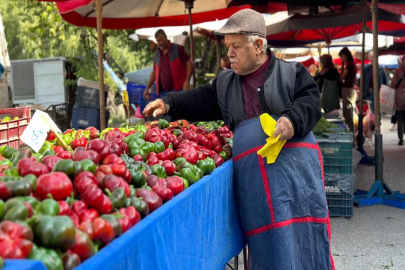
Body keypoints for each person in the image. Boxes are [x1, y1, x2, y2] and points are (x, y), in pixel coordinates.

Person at [143, 9, 334, 270]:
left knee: (302, 234)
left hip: (294, 178)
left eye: (235, 46)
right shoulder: (226, 83)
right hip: (254, 180)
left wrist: (291, 119)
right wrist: (168, 102)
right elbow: (201, 98)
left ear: (257, 45)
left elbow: (311, 101)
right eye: (227, 46)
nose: (229, 53)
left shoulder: (292, 73)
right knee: (265, 241)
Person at [143, 29, 193, 121]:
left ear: (166, 37)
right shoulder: (157, 53)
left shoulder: (177, 49)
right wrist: (147, 88)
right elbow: (154, 72)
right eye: (157, 41)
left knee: (181, 116)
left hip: (178, 89)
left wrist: (186, 81)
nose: (159, 43)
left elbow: (189, 63)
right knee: (167, 118)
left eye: (160, 40)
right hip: (163, 92)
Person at [339, 47, 358, 135]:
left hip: (347, 90)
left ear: (345, 55)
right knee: (349, 113)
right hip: (351, 90)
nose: (341, 58)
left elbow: (341, 77)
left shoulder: (349, 65)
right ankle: (352, 134)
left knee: (348, 115)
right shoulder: (352, 64)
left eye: (342, 56)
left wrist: (342, 66)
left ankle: (351, 136)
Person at [390, 55, 405, 145]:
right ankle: (401, 136)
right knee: (401, 118)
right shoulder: (398, 71)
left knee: (400, 118)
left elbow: (393, 84)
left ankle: (401, 138)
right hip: (400, 97)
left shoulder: (398, 71)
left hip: (400, 96)